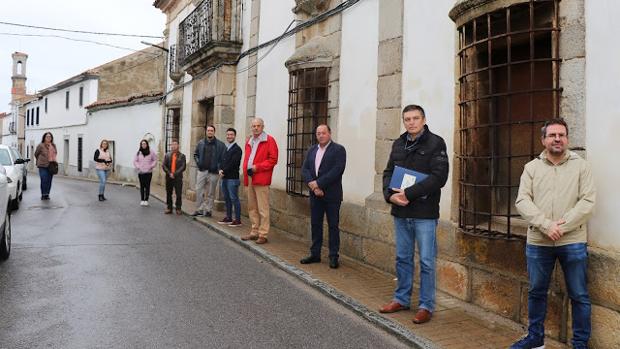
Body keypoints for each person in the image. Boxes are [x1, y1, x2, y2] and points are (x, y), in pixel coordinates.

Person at [510, 118, 595, 349]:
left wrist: (562, 226)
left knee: (579, 294)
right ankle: (535, 339)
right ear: (543, 140)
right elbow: (522, 201)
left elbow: (587, 202)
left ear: (567, 138)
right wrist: (546, 225)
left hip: (573, 241)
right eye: (552, 135)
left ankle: (580, 344)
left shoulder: (581, 166)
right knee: (537, 291)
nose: (557, 139)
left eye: (561, 135)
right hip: (539, 241)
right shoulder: (531, 168)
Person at [379, 104, 449, 325]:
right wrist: (389, 196)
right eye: (407, 119)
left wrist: (409, 193)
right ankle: (401, 299)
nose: (411, 122)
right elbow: (388, 172)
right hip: (400, 211)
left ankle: (426, 305)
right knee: (402, 258)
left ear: (423, 119)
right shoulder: (399, 143)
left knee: (427, 261)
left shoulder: (436, 143)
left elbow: (439, 177)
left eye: (415, 118)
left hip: (424, 213)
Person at [299, 125, 346, 269]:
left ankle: (333, 256)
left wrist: (318, 183)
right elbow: (305, 169)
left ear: (330, 134)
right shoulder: (312, 150)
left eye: (323, 133)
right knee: (315, 224)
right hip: (315, 195)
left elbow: (337, 170)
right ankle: (315, 254)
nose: (321, 135)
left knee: (333, 226)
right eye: (318, 133)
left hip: (332, 195)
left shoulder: (339, 150)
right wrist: (313, 186)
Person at [240, 117, 278, 245]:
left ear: (263, 127)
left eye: (258, 126)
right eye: (254, 126)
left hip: (261, 177)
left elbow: (273, 160)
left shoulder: (269, 140)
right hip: (250, 177)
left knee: (263, 208)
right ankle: (254, 231)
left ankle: (263, 234)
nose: (255, 128)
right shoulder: (249, 141)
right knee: (252, 207)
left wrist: (257, 167)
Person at [192, 125, 226, 217]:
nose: (210, 132)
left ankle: (208, 210)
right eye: (208, 130)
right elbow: (195, 154)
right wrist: (199, 163)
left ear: (214, 132)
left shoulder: (221, 145)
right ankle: (199, 209)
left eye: (211, 130)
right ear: (206, 132)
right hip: (202, 170)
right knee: (199, 190)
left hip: (213, 172)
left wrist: (219, 167)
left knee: (211, 192)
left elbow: (223, 158)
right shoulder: (201, 143)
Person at [217, 128, 243, 227]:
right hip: (224, 177)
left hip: (232, 178)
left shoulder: (237, 149)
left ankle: (238, 220)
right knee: (227, 198)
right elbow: (220, 160)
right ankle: (228, 217)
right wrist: (219, 169)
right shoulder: (225, 148)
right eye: (228, 135)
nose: (229, 136)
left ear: (235, 136)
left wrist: (223, 171)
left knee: (234, 198)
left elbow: (234, 163)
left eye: (231, 135)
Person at [162, 139, 186, 215]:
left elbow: (183, 166)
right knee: (169, 193)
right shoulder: (167, 155)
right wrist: (169, 173)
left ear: (178, 145)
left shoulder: (182, 156)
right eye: (172, 144)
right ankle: (169, 207)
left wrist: (174, 174)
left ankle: (178, 208)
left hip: (178, 178)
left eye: (175, 144)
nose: (174, 146)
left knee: (178, 193)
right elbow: (164, 165)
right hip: (169, 177)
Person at [133, 139, 158, 206]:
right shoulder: (138, 152)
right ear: (141, 145)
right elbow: (135, 161)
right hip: (141, 172)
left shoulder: (151, 152)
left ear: (147, 144)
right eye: (142, 144)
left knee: (147, 186)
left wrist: (151, 166)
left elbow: (155, 160)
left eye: (145, 144)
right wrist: (138, 166)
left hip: (148, 172)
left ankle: (146, 200)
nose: (143, 145)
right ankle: (142, 199)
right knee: (142, 186)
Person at [34, 132, 57, 200]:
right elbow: (36, 154)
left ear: (51, 138)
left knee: (49, 180)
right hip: (42, 166)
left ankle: (47, 194)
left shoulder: (53, 146)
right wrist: (40, 160)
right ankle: (43, 194)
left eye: (50, 137)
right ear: (44, 138)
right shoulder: (40, 145)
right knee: (44, 179)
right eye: (47, 136)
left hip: (51, 165)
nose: (48, 138)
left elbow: (55, 153)